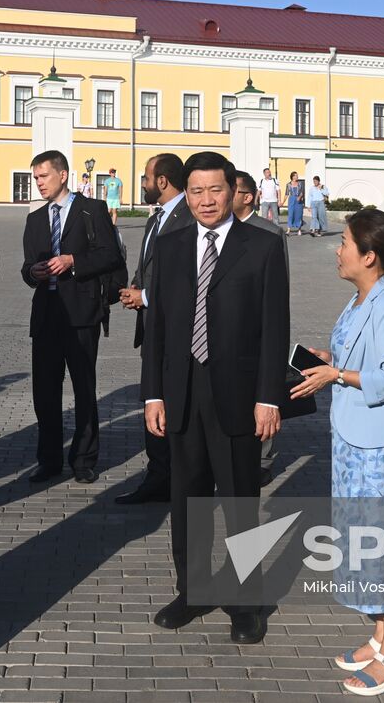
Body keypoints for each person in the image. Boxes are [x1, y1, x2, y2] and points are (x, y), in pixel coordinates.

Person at [142, 151, 290, 645]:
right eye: (196, 191)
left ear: (235, 191)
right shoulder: (171, 244)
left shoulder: (263, 246)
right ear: (186, 193)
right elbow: (158, 327)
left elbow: (274, 327)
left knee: (240, 503)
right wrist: (153, 396)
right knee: (188, 501)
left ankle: (248, 603)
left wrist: (270, 397)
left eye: (216, 190)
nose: (206, 200)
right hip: (182, 391)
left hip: (240, 396)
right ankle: (193, 591)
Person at [287, 209, 384, 696]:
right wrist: (329, 360)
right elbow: (362, 355)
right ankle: (380, 636)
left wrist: (338, 376)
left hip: (382, 448)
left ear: (369, 256)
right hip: (354, 440)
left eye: (345, 242)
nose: (337, 249)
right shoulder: (361, 297)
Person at [21, 151, 124, 484]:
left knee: (83, 388)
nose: (37, 183)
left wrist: (73, 262)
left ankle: (83, 459)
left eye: (43, 176)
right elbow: (26, 267)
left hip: (82, 313)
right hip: (46, 315)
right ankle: (48, 459)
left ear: (62, 175)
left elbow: (110, 255)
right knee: (45, 392)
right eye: (35, 177)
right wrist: (33, 272)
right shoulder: (35, 219)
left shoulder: (90, 210)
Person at [115, 153, 193, 505]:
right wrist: (135, 290)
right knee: (154, 396)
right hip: (152, 325)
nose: (143, 184)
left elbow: (184, 278)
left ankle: (173, 478)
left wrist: (144, 296)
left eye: (146, 177)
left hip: (176, 330)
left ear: (162, 181)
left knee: (170, 400)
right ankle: (159, 475)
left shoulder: (187, 218)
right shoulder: (156, 219)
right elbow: (146, 266)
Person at [234, 169, 290, 486]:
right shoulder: (219, 230)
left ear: (248, 196)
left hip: (258, 327)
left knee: (264, 391)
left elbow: (279, 289)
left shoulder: (269, 232)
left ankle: (263, 458)